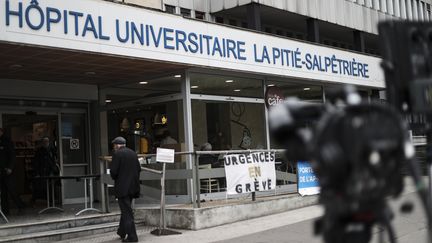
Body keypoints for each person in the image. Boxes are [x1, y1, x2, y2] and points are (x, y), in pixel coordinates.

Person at [110, 137, 141, 242]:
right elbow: (138, 169)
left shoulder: (117, 154)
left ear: (117, 145)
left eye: (114, 145)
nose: (114, 147)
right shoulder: (133, 153)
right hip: (133, 187)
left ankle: (132, 237)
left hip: (122, 189)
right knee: (126, 210)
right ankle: (121, 231)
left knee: (127, 213)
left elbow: (113, 172)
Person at [0, 128, 25, 215]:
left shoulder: (7, 141)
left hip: (7, 170)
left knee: (11, 190)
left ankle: (21, 206)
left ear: (1, 132)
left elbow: (12, 156)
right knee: (3, 192)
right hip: (1, 171)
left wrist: (10, 168)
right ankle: (5, 210)